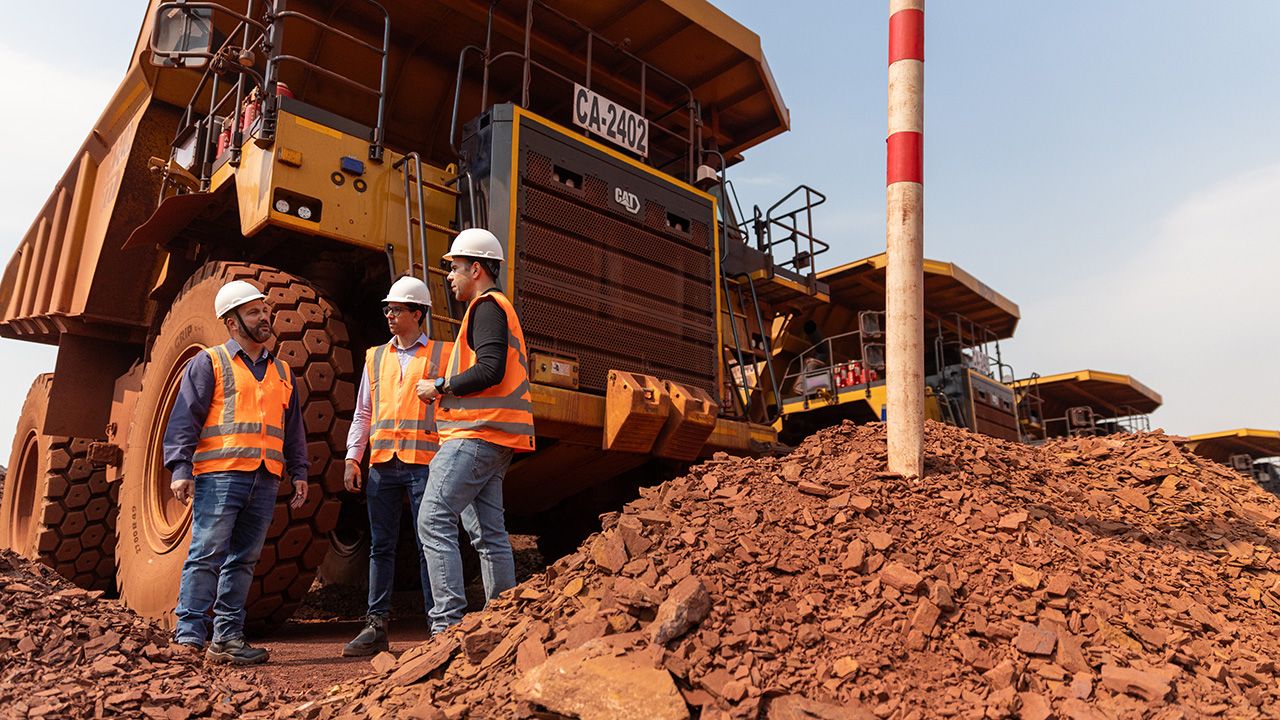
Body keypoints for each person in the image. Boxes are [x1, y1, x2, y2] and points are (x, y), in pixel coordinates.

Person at [163, 279, 309, 665]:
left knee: (243, 560)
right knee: (206, 553)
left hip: (265, 477)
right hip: (220, 475)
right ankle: (189, 636)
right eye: (253, 312)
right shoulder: (209, 363)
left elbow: (292, 428)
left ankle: (227, 638)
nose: (264, 317)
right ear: (232, 323)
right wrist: (180, 468)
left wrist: (300, 471)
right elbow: (184, 419)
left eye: (265, 311)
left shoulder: (282, 371)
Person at [415, 228, 535, 635]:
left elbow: (489, 369)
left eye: (455, 268)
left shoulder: (486, 307)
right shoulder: (494, 308)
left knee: (432, 518)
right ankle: (503, 621)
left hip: (476, 436)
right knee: (488, 533)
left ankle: (446, 627)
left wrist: (441, 387)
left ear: (477, 269)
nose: (450, 276)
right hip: (494, 437)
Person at [341, 276, 450, 656]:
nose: (389, 314)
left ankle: (439, 625)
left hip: (426, 464)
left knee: (430, 545)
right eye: (387, 308)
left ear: (417, 313)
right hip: (383, 465)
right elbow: (363, 412)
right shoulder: (375, 356)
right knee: (380, 546)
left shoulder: (442, 355)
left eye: (397, 308)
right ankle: (376, 626)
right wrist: (354, 457)